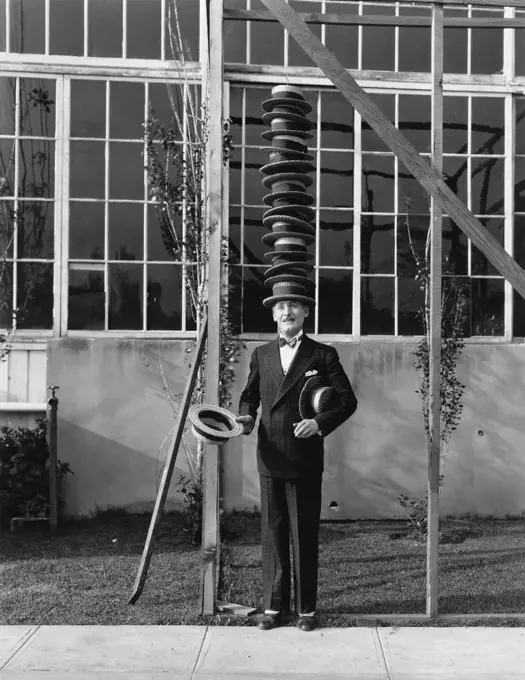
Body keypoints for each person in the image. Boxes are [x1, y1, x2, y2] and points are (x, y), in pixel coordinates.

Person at [236, 298, 357, 631]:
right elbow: (250, 396)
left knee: (303, 533)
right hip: (271, 454)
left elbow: (347, 402)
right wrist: (246, 417)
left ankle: (305, 610)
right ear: (273, 313)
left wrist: (319, 423)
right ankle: (273, 608)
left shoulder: (323, 354)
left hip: (305, 457)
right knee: (273, 533)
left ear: (306, 312)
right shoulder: (260, 354)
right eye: (280, 307)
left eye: (294, 306)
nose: (287, 312)